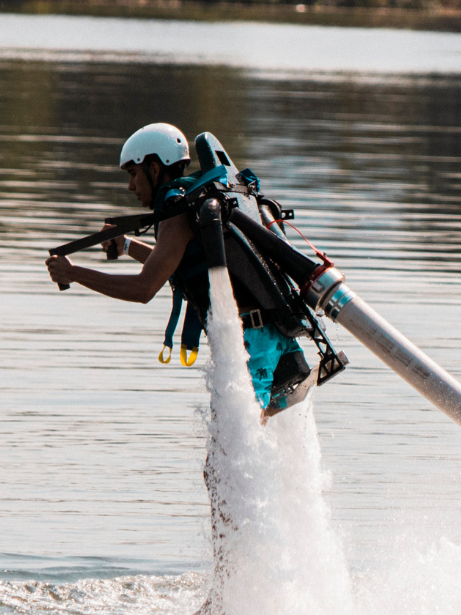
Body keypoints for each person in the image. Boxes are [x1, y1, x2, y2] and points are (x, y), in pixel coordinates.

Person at [43, 122, 310, 414]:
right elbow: (178, 264)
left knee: (225, 453)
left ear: (154, 169)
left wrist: (74, 274)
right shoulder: (196, 203)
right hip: (273, 338)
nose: (131, 185)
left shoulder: (178, 214)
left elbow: (143, 288)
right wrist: (128, 246)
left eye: (133, 174)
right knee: (237, 450)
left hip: (248, 346)